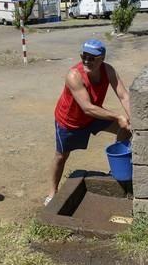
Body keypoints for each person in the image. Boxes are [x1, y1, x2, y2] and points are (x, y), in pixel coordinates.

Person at [47, 39, 132, 205]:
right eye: (84, 56)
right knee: (61, 156)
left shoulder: (108, 70)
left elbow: (124, 96)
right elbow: (87, 108)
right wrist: (118, 116)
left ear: (102, 58)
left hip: (94, 115)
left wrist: (132, 120)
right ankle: (52, 192)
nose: (86, 61)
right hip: (70, 121)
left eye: (92, 58)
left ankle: (117, 169)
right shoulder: (74, 75)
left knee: (126, 129)